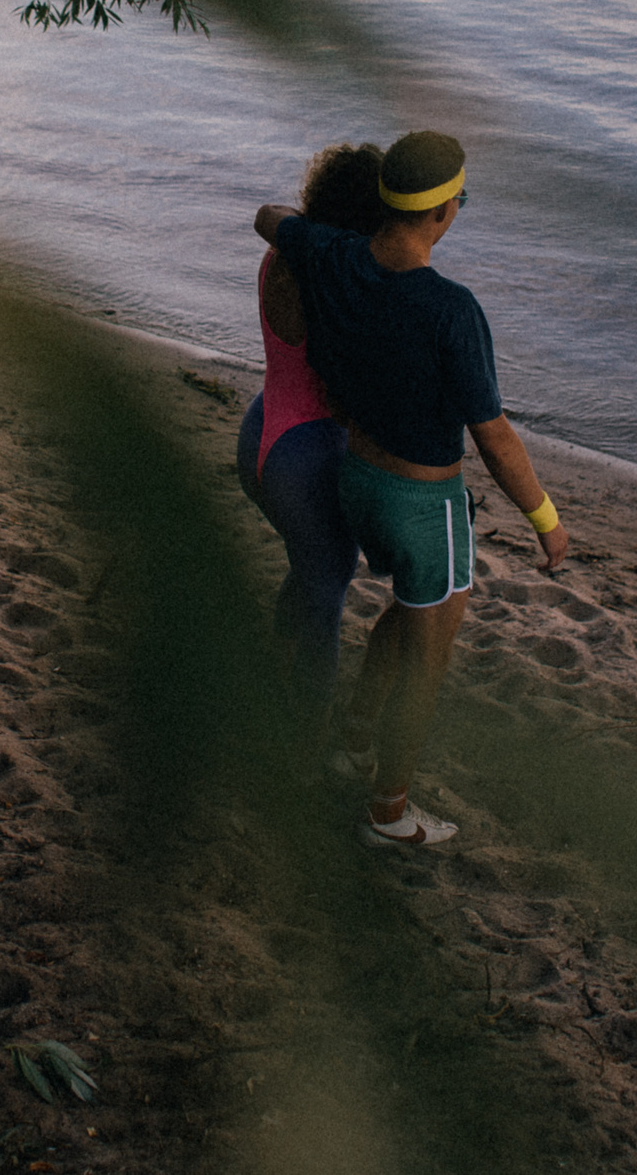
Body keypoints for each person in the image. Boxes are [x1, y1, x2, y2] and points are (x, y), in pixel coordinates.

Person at [254, 130, 567, 846]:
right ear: (442, 214)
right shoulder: (452, 310)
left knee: (411, 608)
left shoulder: (332, 256)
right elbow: (494, 437)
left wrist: (301, 229)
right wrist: (545, 518)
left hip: (358, 482)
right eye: (459, 198)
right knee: (429, 661)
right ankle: (389, 814)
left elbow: (269, 219)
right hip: (425, 504)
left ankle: (355, 736)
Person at [237, 142, 389, 718]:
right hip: (306, 456)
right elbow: (347, 395)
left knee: (308, 570)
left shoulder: (284, 252)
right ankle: (307, 735)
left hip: (261, 431)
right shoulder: (337, 281)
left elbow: (272, 214)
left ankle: (271, 671)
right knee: (327, 593)